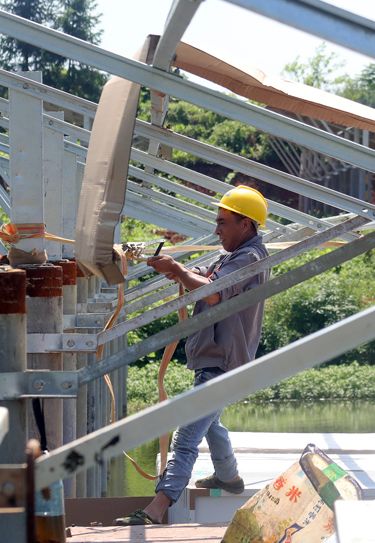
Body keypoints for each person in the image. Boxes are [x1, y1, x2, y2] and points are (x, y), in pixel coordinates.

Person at [114, 185, 271, 526]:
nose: (217, 229)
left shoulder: (250, 258)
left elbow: (214, 294)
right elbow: (207, 279)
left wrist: (180, 271)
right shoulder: (230, 255)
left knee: (186, 435)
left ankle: (156, 510)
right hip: (215, 359)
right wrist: (177, 271)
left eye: (223, 222)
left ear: (246, 224)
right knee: (211, 424)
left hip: (223, 363)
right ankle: (229, 479)